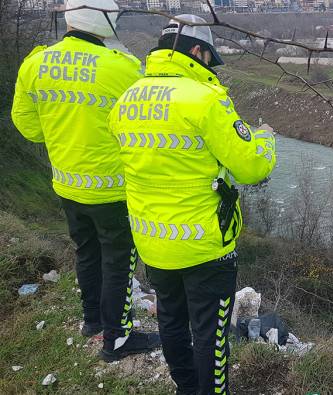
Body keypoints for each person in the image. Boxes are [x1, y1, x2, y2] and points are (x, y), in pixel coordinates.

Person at [107, 14, 276, 395]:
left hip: (153, 239)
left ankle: (186, 387)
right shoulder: (204, 99)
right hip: (204, 245)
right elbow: (251, 167)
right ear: (197, 51)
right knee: (210, 334)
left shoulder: (128, 99)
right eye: (208, 58)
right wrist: (266, 139)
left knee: (170, 319)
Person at [11, 0, 161, 362]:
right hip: (112, 189)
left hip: (66, 184)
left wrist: (64, 139)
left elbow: (27, 125)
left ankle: (92, 321)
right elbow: (147, 125)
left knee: (87, 252)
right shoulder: (121, 68)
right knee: (117, 260)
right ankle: (118, 338)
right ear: (104, 20)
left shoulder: (35, 63)